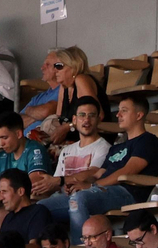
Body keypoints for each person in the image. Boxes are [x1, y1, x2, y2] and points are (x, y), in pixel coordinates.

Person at [65, 95, 158, 238]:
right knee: (43, 207)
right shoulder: (117, 147)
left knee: (78, 199)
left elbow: (127, 171)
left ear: (139, 115)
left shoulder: (148, 140)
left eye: (124, 110)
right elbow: (98, 173)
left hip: (128, 193)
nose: (118, 114)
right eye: (119, 110)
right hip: (104, 190)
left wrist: (92, 187)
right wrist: (82, 183)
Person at [39, 98, 111, 238]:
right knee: (35, 209)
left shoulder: (103, 147)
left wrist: (60, 181)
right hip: (63, 196)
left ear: (98, 119)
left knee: (46, 207)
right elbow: (56, 182)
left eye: (91, 115)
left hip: (88, 196)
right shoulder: (68, 150)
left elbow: (93, 172)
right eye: (82, 115)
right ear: (74, 119)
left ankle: (80, 247)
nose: (86, 120)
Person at [0, 170, 52, 248]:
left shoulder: (38, 212)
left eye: (4, 192)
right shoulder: (8, 218)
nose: (0, 198)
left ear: (20, 191)